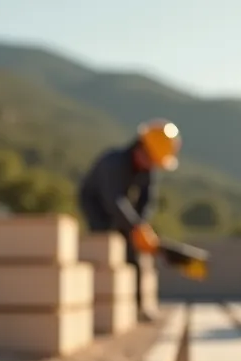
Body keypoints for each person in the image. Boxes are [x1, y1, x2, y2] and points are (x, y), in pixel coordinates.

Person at [77, 118, 181, 322]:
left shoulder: (146, 171)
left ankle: (138, 307)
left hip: (120, 206)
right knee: (105, 246)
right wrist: (135, 226)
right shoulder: (113, 163)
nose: (153, 165)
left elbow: (146, 201)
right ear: (142, 149)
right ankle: (99, 306)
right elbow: (113, 200)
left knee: (133, 254)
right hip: (95, 203)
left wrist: (141, 226)